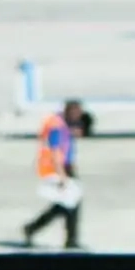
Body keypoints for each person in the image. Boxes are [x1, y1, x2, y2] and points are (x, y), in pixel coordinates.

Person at [18, 100, 90, 250]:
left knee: (65, 205)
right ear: (69, 112)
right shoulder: (57, 127)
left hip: (67, 167)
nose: (78, 117)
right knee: (69, 204)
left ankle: (33, 228)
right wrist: (62, 176)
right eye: (76, 113)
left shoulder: (64, 125)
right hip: (60, 169)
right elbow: (55, 152)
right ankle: (70, 239)